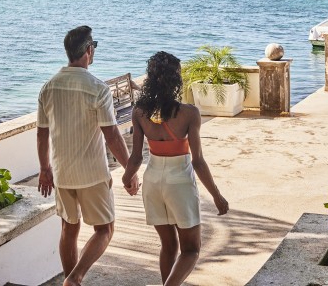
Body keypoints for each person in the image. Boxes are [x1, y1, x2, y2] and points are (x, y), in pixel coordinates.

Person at [37, 25, 139, 286]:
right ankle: (75, 278)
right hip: (92, 173)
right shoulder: (97, 89)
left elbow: (41, 134)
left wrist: (44, 169)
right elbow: (112, 136)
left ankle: (72, 281)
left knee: (68, 230)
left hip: (61, 173)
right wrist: (130, 170)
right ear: (88, 50)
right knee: (105, 229)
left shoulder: (48, 87)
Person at [122, 51, 229, 286]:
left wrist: (127, 178)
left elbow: (136, 158)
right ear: (176, 80)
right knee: (191, 250)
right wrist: (217, 196)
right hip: (179, 182)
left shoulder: (139, 112)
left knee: (168, 246)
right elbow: (198, 161)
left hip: (152, 181)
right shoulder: (189, 113)